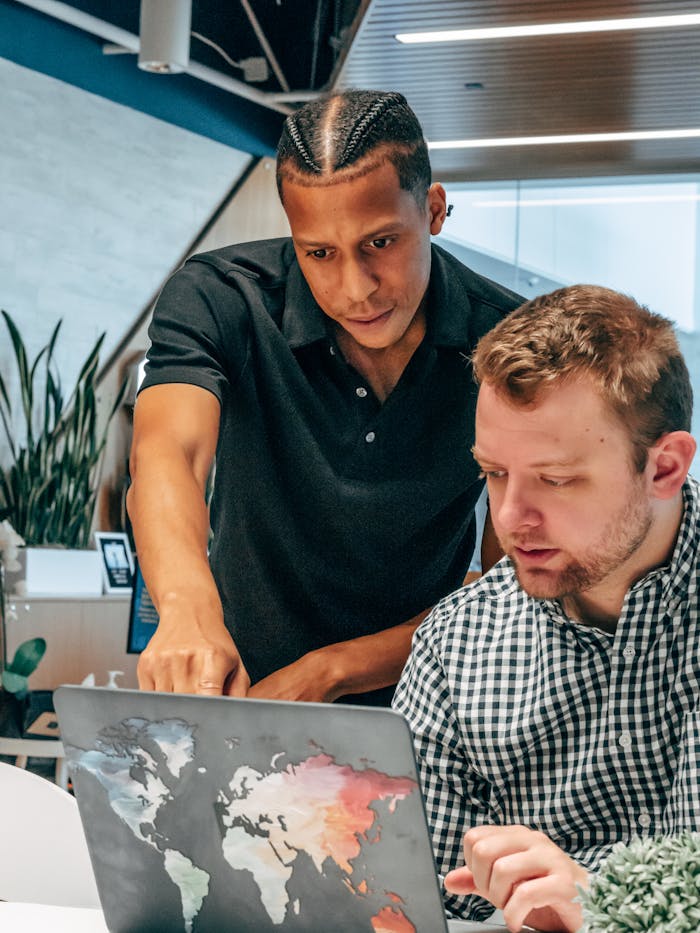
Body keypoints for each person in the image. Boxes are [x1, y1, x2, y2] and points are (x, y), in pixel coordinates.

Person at [127, 89, 521, 707]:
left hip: (431, 704)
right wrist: (184, 610)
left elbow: (511, 592)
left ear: (434, 210)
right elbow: (166, 454)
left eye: (380, 243)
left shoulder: (510, 340)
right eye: (320, 253)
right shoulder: (220, 297)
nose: (355, 288)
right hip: (239, 691)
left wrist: (329, 671)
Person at [393, 284, 699, 932]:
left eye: (556, 479)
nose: (508, 519)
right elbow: (412, 903)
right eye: (495, 472)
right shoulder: (456, 643)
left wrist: (608, 906)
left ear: (665, 466)